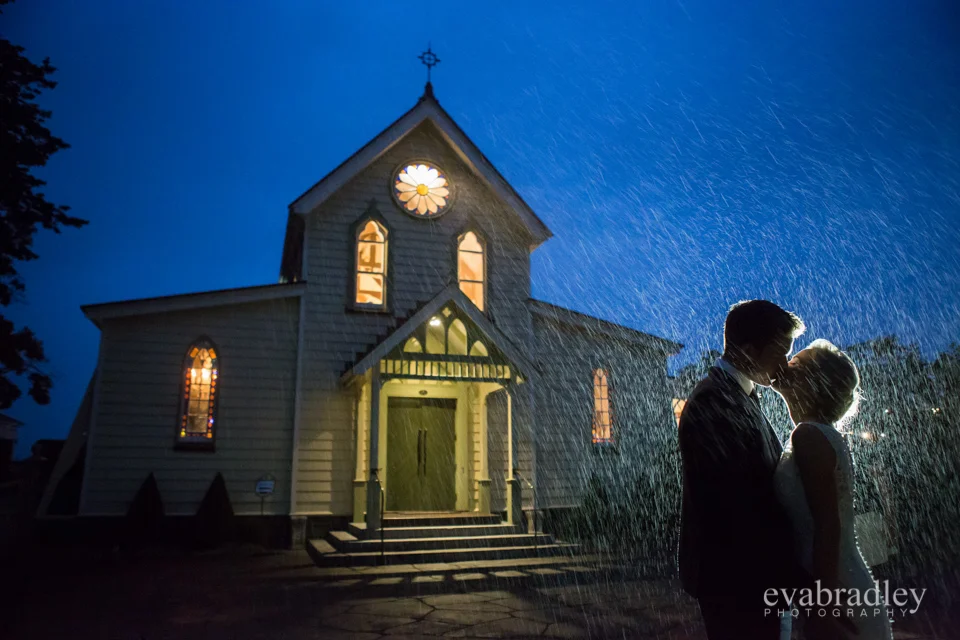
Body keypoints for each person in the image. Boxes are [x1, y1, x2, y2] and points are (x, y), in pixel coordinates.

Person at [678, 300, 809, 639]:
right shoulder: (714, 401)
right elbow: (737, 505)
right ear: (749, 351)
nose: (785, 364)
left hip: (751, 579)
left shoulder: (738, 394)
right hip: (737, 581)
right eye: (780, 352)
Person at [773, 340, 894, 639]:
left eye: (796, 363)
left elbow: (828, 527)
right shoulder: (822, 432)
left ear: (814, 383)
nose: (784, 364)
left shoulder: (809, 435)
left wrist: (822, 608)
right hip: (841, 580)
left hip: (835, 590)